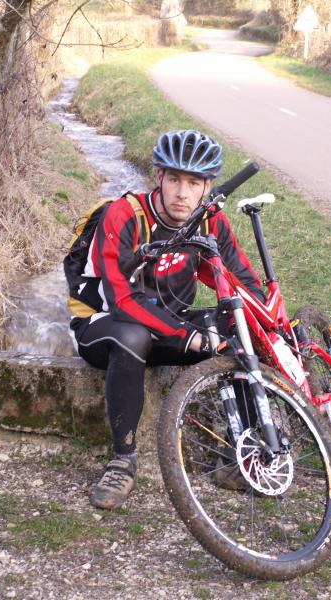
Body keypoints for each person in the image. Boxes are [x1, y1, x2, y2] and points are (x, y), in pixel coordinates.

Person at [69, 130, 265, 510]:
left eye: (194, 183)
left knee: (238, 327)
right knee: (133, 335)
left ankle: (237, 456)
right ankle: (123, 461)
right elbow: (121, 300)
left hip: (169, 324)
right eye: (174, 179)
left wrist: (264, 323)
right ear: (158, 177)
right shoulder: (124, 215)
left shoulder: (208, 222)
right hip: (104, 324)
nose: (182, 193)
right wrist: (189, 336)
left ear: (207, 186)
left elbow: (241, 282)